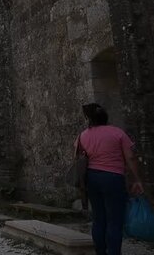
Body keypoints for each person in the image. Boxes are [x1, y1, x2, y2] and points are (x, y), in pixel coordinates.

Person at [77, 103, 144, 255]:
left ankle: (100, 252)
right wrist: (137, 179)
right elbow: (131, 157)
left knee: (99, 218)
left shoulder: (83, 135)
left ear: (90, 119)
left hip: (92, 178)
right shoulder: (117, 133)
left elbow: (79, 158)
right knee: (114, 220)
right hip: (113, 178)